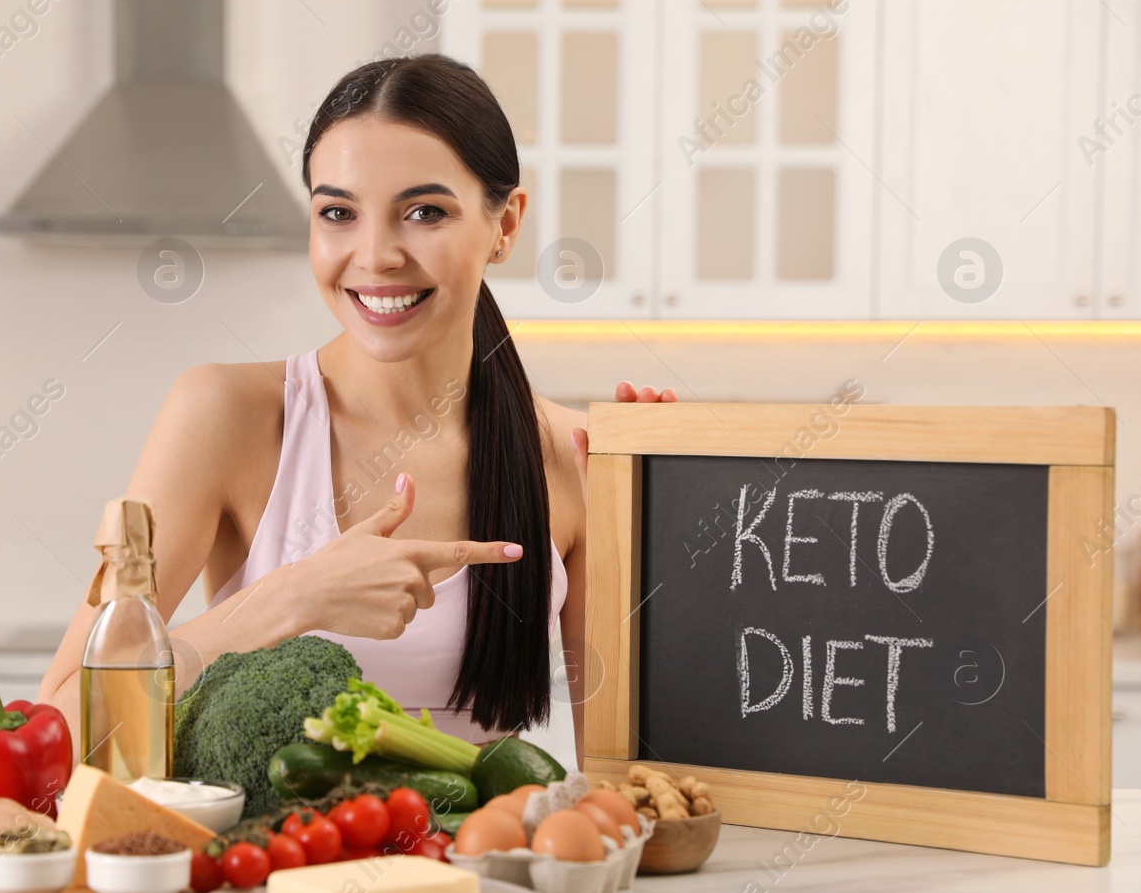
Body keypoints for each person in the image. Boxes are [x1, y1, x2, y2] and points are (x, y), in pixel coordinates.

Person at [39, 53, 675, 766]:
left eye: (425, 211)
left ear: (506, 224)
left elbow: (635, 784)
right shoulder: (229, 415)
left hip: (479, 876)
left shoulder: (571, 451)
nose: (375, 256)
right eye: (338, 213)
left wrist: (675, 518)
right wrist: (288, 600)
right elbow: (60, 730)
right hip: (268, 875)